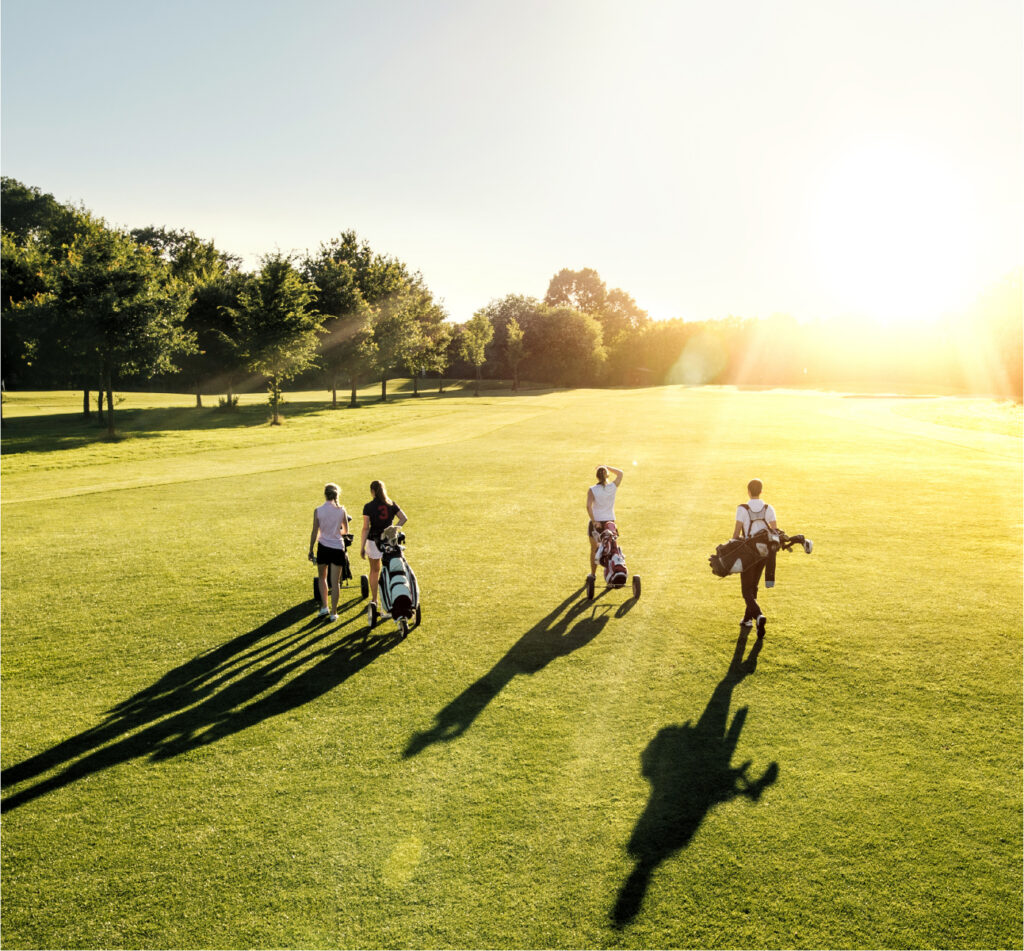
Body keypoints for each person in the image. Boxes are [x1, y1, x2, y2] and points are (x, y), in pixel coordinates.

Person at [732, 478, 778, 638]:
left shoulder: (742, 509)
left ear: (748, 491)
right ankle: (747, 619)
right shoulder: (769, 508)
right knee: (754, 586)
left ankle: (758, 615)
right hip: (765, 552)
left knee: (746, 590)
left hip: (749, 552)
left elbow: (736, 534)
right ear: (761, 491)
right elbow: (775, 531)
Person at [360, 480, 408, 611]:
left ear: (372, 491)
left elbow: (366, 528)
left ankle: (375, 600)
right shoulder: (391, 503)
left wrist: (362, 547)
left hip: (373, 541)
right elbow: (404, 517)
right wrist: (395, 528)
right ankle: (394, 596)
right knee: (390, 569)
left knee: (374, 570)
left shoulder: (368, 506)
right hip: (390, 540)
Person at [308, 482, 350, 622]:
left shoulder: (318, 510)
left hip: (323, 547)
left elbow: (315, 531)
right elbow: (345, 531)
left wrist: (310, 549)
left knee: (322, 578)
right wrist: (336, 531)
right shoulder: (341, 510)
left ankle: (324, 607)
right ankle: (333, 612)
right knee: (335, 582)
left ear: (325, 494)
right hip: (338, 547)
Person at [587, 464, 624, 576]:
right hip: (610, 523)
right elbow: (620, 473)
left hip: (597, 523)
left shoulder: (592, 490)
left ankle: (593, 574)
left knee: (594, 549)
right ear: (607, 475)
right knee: (611, 548)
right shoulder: (612, 487)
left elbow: (588, 506)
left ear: (597, 477)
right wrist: (606, 466)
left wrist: (594, 521)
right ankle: (612, 572)